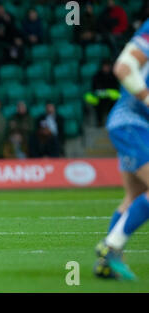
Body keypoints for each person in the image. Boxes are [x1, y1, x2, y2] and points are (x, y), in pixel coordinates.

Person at [93, 19, 149, 281]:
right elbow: (124, 68)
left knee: (134, 196)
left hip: (131, 124)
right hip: (132, 123)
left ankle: (106, 264)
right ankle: (111, 246)